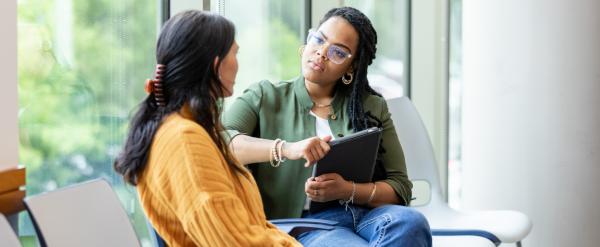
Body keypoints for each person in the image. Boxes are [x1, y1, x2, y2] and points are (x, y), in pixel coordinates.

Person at [223, 7, 432, 247]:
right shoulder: (265, 96)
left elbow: (400, 187)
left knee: (411, 223)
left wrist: (348, 190)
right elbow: (220, 141)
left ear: (351, 67)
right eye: (319, 39)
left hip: (367, 216)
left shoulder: (371, 106)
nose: (321, 53)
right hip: (306, 224)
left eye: (338, 52)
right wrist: (287, 148)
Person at [113, 10, 300, 247]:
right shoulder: (184, 140)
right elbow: (234, 242)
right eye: (235, 53)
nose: (238, 64)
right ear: (216, 64)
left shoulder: (186, 129)